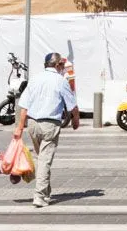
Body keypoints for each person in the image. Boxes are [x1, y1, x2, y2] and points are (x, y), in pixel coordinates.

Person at [13, 52, 80, 208]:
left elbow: (23, 105)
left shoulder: (35, 79)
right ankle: (39, 196)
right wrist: (76, 121)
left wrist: (19, 128)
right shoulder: (60, 81)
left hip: (33, 124)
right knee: (44, 161)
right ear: (57, 65)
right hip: (50, 125)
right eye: (62, 65)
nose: (63, 68)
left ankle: (46, 193)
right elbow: (72, 106)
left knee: (42, 158)